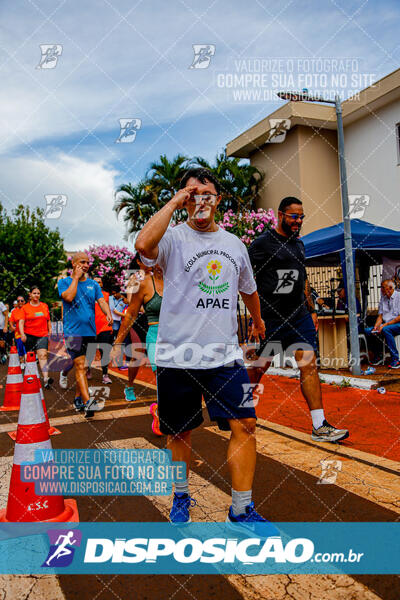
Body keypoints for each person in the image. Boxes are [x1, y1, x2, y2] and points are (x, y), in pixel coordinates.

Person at [135, 167, 267, 526]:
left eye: (206, 193)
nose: (200, 201)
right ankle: (181, 495)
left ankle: (241, 508)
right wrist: (177, 200)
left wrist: (257, 319)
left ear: (218, 199)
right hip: (177, 356)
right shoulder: (172, 239)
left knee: (246, 423)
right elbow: (143, 245)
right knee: (180, 431)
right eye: (192, 195)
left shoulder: (234, 244)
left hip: (224, 356)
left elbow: (248, 288)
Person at [248, 196, 349, 443]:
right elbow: (244, 278)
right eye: (294, 216)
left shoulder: (299, 245)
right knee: (259, 367)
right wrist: (254, 317)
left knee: (309, 364)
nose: (299, 221)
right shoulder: (262, 244)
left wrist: (311, 309)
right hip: (271, 318)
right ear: (280, 215)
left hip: (298, 317)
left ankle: (319, 425)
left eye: (301, 216)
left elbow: (303, 279)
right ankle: (240, 409)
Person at [58, 252, 113, 418]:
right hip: (73, 332)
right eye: (82, 261)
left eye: (88, 262)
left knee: (83, 367)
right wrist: (75, 278)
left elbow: (101, 301)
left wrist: (107, 313)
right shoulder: (64, 282)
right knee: (81, 366)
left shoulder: (93, 285)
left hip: (90, 332)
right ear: (74, 264)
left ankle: (78, 398)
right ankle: (89, 403)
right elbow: (68, 297)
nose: (86, 264)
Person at [111, 260, 163, 435]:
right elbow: (131, 303)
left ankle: (162, 408)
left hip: (156, 322)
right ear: (140, 261)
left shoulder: (163, 275)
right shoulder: (135, 278)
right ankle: (130, 386)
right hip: (140, 319)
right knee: (137, 355)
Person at [19, 286, 53, 388]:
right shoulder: (25, 308)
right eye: (34, 293)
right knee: (30, 357)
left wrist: (50, 331)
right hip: (29, 335)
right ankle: (30, 377)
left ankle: (46, 379)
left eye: (38, 293)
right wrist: (22, 334)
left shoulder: (44, 306)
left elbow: (48, 320)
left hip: (42, 335)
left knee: (43, 355)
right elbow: (21, 322)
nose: (36, 295)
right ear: (30, 294)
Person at [365, 279, 400, 368]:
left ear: (391, 288)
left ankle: (396, 359)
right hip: (386, 324)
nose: (381, 290)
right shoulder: (383, 298)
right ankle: (378, 355)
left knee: (385, 329)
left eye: (383, 287)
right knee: (369, 331)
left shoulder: (398, 297)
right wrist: (376, 326)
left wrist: (384, 325)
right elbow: (380, 316)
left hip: (396, 323)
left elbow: (399, 317)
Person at [86, 277, 113, 384]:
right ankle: (88, 370)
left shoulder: (106, 295)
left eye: (99, 282)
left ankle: (105, 375)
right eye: (95, 282)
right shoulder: (87, 295)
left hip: (104, 327)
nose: (98, 283)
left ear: (102, 284)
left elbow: (110, 309)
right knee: (90, 352)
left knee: (105, 351)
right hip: (91, 327)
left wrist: (110, 317)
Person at [9, 295, 26, 368]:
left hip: (28, 332)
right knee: (20, 347)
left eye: (21, 300)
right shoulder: (14, 311)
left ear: (24, 301)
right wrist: (12, 326)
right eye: (18, 301)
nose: (20, 302)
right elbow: (11, 321)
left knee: (27, 348)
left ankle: (28, 361)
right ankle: (22, 362)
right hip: (18, 333)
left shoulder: (27, 309)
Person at [0, 299, 9, 364]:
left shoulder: (1, 304)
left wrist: (5, 326)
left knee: (1, 343)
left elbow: (6, 314)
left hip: (1, 327)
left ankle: (3, 353)